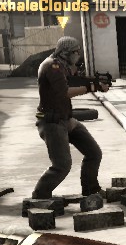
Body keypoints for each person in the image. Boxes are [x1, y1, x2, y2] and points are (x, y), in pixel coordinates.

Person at [34, 36, 108, 202]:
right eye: (76, 52)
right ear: (65, 52)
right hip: (52, 122)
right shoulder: (52, 66)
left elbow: (73, 80)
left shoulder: (61, 65)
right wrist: (92, 86)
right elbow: (64, 92)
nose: (78, 55)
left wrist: (92, 81)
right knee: (62, 166)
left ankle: (90, 190)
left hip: (66, 120)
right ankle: (40, 197)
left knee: (93, 153)